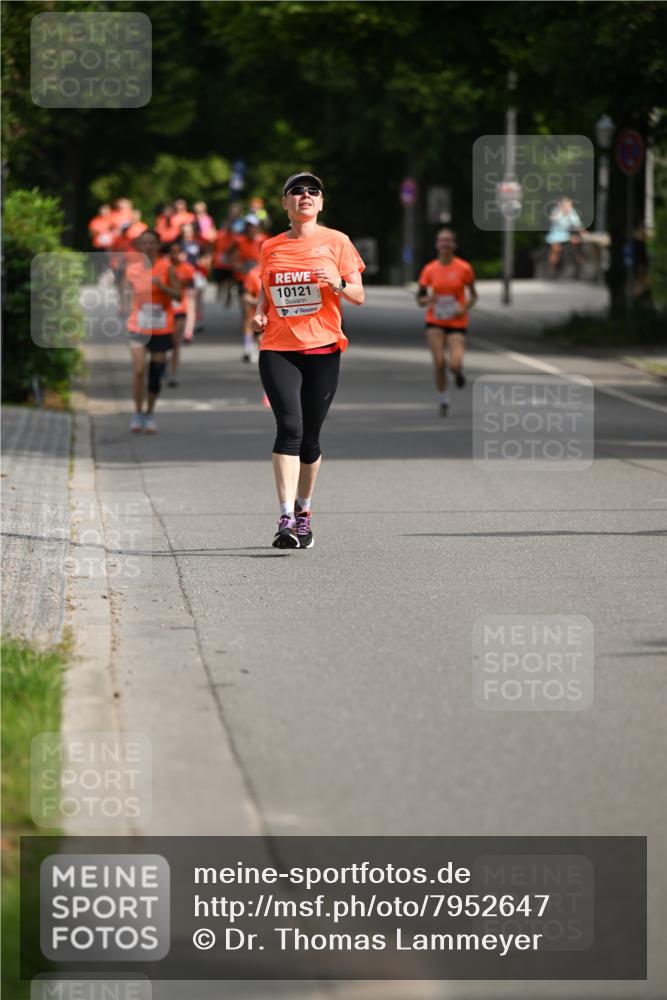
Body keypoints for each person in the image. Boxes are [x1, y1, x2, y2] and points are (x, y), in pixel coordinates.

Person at [252, 172, 365, 549]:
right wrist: (260, 312)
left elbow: (358, 296)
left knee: (310, 438)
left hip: (323, 348)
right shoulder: (270, 246)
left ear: (321, 203)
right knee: (289, 428)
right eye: (296, 191)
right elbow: (266, 290)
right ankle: (285, 517)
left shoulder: (337, 241)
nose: (305, 195)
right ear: (285, 203)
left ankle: (304, 511)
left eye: (312, 191)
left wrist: (337, 283)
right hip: (277, 347)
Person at [121, 230, 181, 433]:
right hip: (137, 325)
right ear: (139, 246)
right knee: (138, 370)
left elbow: (179, 295)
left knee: (156, 370)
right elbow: (125, 293)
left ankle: (150, 412)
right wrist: (125, 305)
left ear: (158, 245)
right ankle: (137, 413)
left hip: (161, 326)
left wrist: (163, 287)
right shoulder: (132, 269)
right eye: (144, 243)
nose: (148, 246)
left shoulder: (167, 267)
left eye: (151, 242)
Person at [417, 228, 477, 417]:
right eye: (441, 241)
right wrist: (429, 299)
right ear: (437, 244)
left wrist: (464, 307)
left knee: (454, 364)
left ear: (454, 244)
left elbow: (473, 296)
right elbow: (420, 299)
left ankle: (458, 373)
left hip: (457, 321)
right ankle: (443, 399)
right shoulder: (429, 269)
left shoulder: (464, 268)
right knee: (439, 362)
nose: (445, 244)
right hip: (435, 320)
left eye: (448, 240)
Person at [231, 214, 268, 360]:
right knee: (248, 315)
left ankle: (263, 345)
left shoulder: (265, 239)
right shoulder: (239, 241)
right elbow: (233, 261)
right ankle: (248, 348)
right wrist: (245, 269)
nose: (251, 228)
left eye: (253, 225)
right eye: (248, 225)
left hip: (263, 277)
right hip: (245, 280)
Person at [546, 196, 586, 277]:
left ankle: (579, 262)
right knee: (555, 250)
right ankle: (551, 269)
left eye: (569, 204)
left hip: (566, 235)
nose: (568, 206)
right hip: (555, 235)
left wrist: (583, 233)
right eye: (566, 204)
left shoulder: (572, 212)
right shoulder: (556, 211)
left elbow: (578, 225)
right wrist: (562, 213)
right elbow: (553, 220)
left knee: (577, 242)